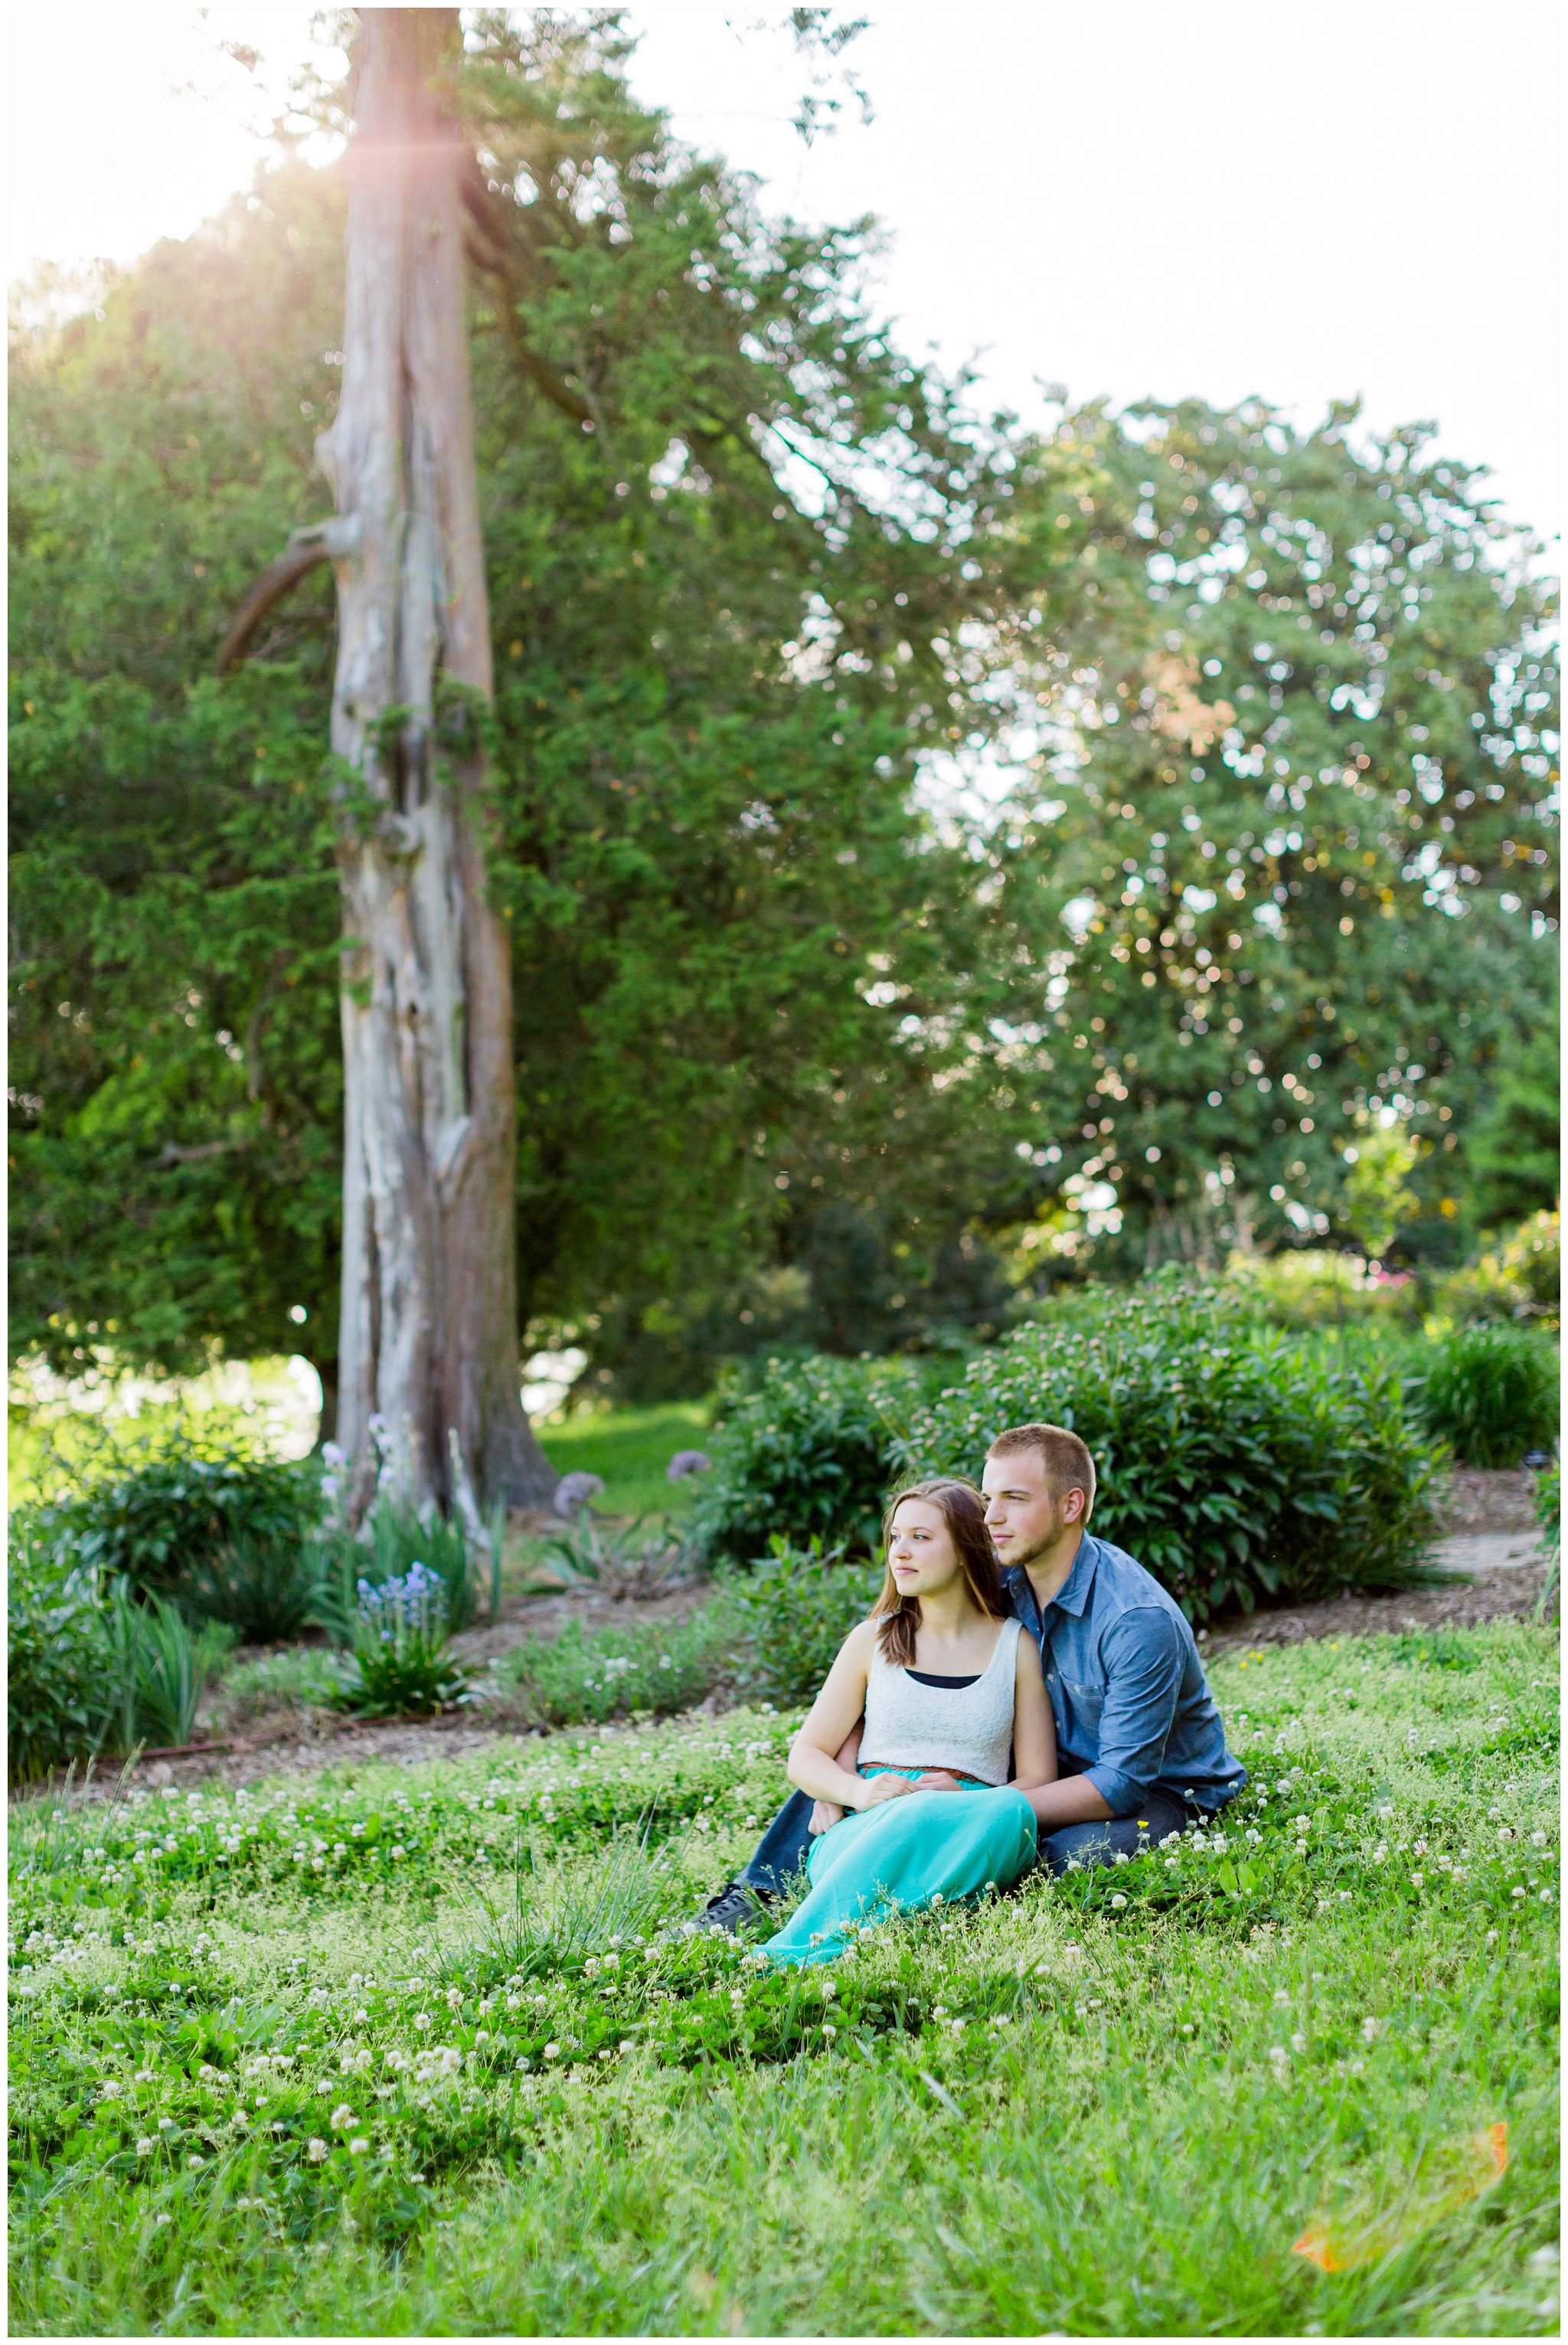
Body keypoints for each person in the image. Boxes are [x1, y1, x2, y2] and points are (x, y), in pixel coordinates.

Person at [698, 1421, 1246, 1932]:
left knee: (1061, 1859)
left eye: (1015, 1499)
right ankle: (756, 1895)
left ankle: (916, 1898)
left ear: (1071, 1505)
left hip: (1155, 1789)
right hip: (1028, 1774)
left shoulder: (1133, 1621)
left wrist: (968, 1807)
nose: (991, 1519)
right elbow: (894, 1690)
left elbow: (1121, 1784)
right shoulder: (1004, 1581)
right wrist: (852, 1775)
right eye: (989, 1499)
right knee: (872, 1781)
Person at [760, 1477, 1054, 1967]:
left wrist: (962, 1800)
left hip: (969, 1823)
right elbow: (805, 1755)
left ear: (964, 1549)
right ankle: (812, 1947)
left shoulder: (1015, 1646)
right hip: (871, 1824)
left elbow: (1039, 1778)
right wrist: (856, 1793)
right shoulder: (871, 1640)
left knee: (1012, 1814)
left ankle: (859, 1930)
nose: (900, 1552)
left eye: (920, 1537)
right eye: (895, 1537)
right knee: (910, 1816)